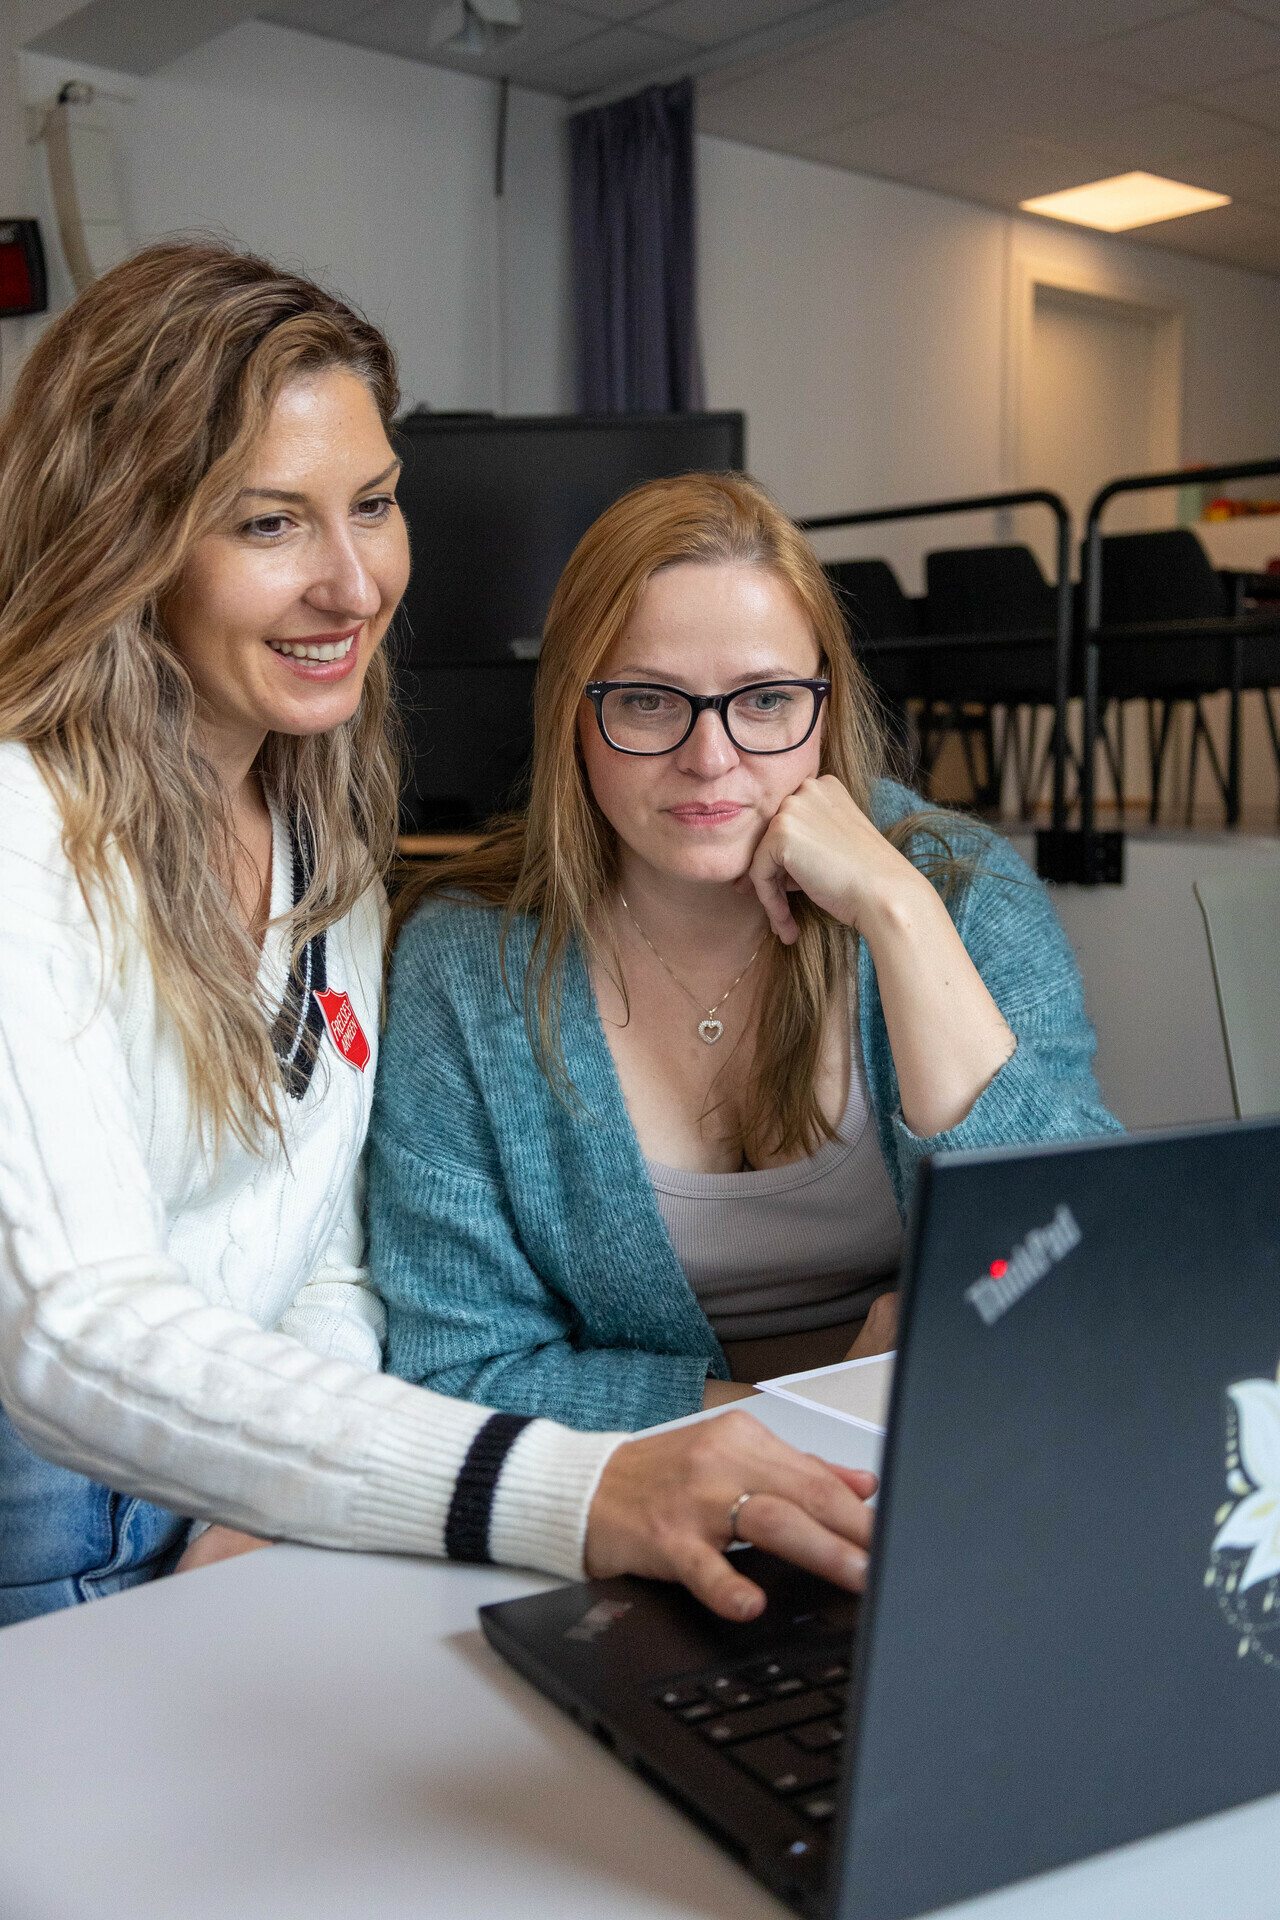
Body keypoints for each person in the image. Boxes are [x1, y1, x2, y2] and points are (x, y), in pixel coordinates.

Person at [0, 244, 878, 1632]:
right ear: (127, 536)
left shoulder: (323, 827)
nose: (355, 586)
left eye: (374, 505)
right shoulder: (19, 829)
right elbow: (68, 1326)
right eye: (269, 523)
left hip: (256, 1489)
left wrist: (271, 1498)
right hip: (39, 1520)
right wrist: (575, 1492)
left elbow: (322, 1255)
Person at [369, 473, 1121, 1431]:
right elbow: (460, 1367)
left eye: (765, 700)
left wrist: (900, 912)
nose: (712, 758)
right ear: (570, 710)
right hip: (649, 1496)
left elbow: (1078, 1268)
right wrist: (788, 1420)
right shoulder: (466, 966)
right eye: (647, 702)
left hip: (957, 1457)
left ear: (826, 700)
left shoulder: (962, 894)